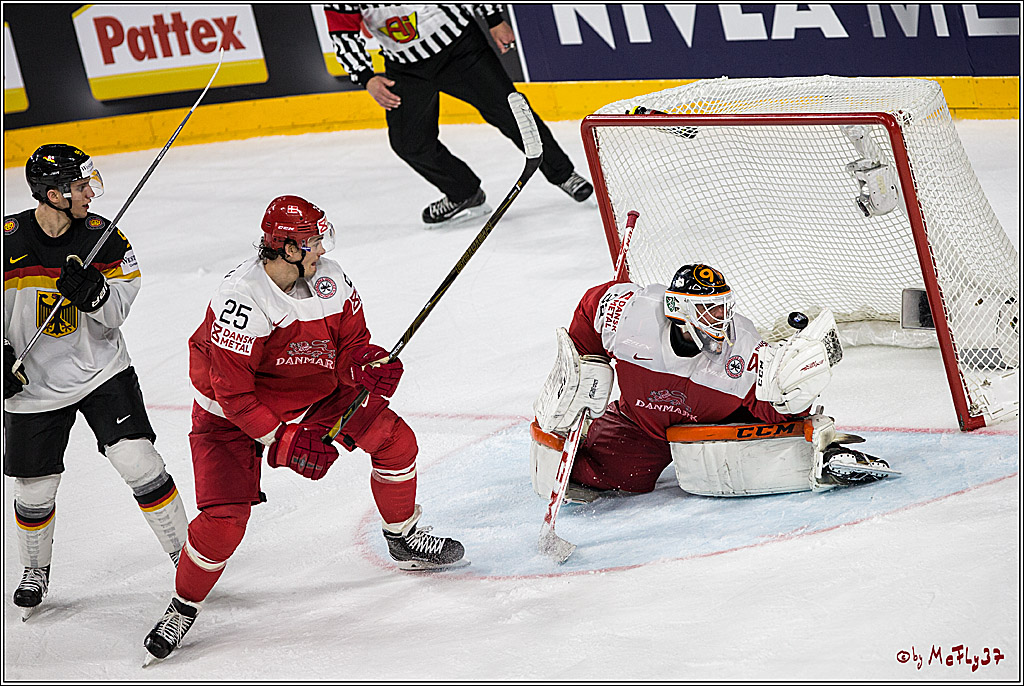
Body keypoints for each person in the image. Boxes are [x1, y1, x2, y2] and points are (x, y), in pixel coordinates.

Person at [142, 194, 465, 662]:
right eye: (313, 241)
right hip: (229, 418)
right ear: (289, 248)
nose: (322, 250)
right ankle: (183, 605)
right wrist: (284, 440)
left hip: (314, 392)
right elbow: (232, 393)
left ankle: (402, 536)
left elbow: (353, 344)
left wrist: (368, 365)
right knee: (223, 525)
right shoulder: (242, 298)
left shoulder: (330, 277)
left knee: (397, 442)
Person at [3, 144, 189, 619]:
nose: (91, 193)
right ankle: (34, 571)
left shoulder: (103, 237)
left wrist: (96, 294)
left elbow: (119, 310)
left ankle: (187, 559)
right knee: (35, 489)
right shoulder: (5, 242)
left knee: (138, 459)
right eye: (81, 186)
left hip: (101, 371)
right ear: (52, 194)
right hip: (33, 385)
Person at [529, 263, 895, 502]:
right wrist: (584, 361)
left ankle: (827, 451)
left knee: (779, 431)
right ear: (679, 309)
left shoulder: (745, 348)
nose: (721, 319)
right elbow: (591, 310)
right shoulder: (630, 315)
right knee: (610, 477)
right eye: (709, 310)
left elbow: (772, 408)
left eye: (723, 307)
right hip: (639, 423)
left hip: (714, 425)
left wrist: (794, 394)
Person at [324, 3, 594, 227]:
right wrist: (366, 76)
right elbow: (342, 33)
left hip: (461, 49)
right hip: (405, 67)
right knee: (409, 143)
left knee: (512, 111)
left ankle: (563, 175)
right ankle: (464, 192)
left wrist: (494, 18)